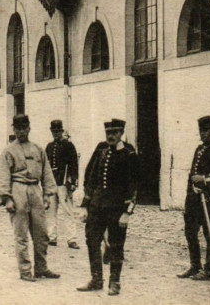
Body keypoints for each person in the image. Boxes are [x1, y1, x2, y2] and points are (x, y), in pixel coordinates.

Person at [78, 119, 138, 296]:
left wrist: (127, 212)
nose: (110, 136)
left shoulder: (129, 153)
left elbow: (134, 184)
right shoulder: (100, 148)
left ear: (121, 133)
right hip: (97, 206)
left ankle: (115, 282)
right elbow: (90, 177)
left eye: (115, 133)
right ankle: (96, 279)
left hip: (117, 208)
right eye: (108, 133)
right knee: (91, 240)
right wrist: (85, 206)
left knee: (116, 244)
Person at [0, 115, 58, 282]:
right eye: (17, 129)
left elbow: (46, 173)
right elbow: (2, 175)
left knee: (42, 233)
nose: (21, 132)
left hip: (35, 190)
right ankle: (25, 271)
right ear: (14, 130)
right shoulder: (8, 151)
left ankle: (41, 268)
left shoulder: (38, 149)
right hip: (18, 191)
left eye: (24, 128)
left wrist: (47, 194)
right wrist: (7, 198)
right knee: (21, 234)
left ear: (29, 128)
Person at [178, 115, 210, 281]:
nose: (203, 134)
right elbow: (192, 175)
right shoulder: (199, 150)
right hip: (194, 198)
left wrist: (205, 179)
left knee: (209, 232)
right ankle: (195, 266)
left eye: (206, 131)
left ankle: (208, 270)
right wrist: (189, 194)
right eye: (201, 131)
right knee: (190, 231)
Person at [45, 119, 80, 249]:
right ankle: (52, 237)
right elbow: (45, 166)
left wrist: (73, 181)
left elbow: (74, 165)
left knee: (68, 211)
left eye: (58, 131)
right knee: (51, 211)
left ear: (62, 131)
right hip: (52, 183)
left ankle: (71, 239)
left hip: (64, 182)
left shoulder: (68, 145)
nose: (56, 134)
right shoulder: (49, 146)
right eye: (53, 131)